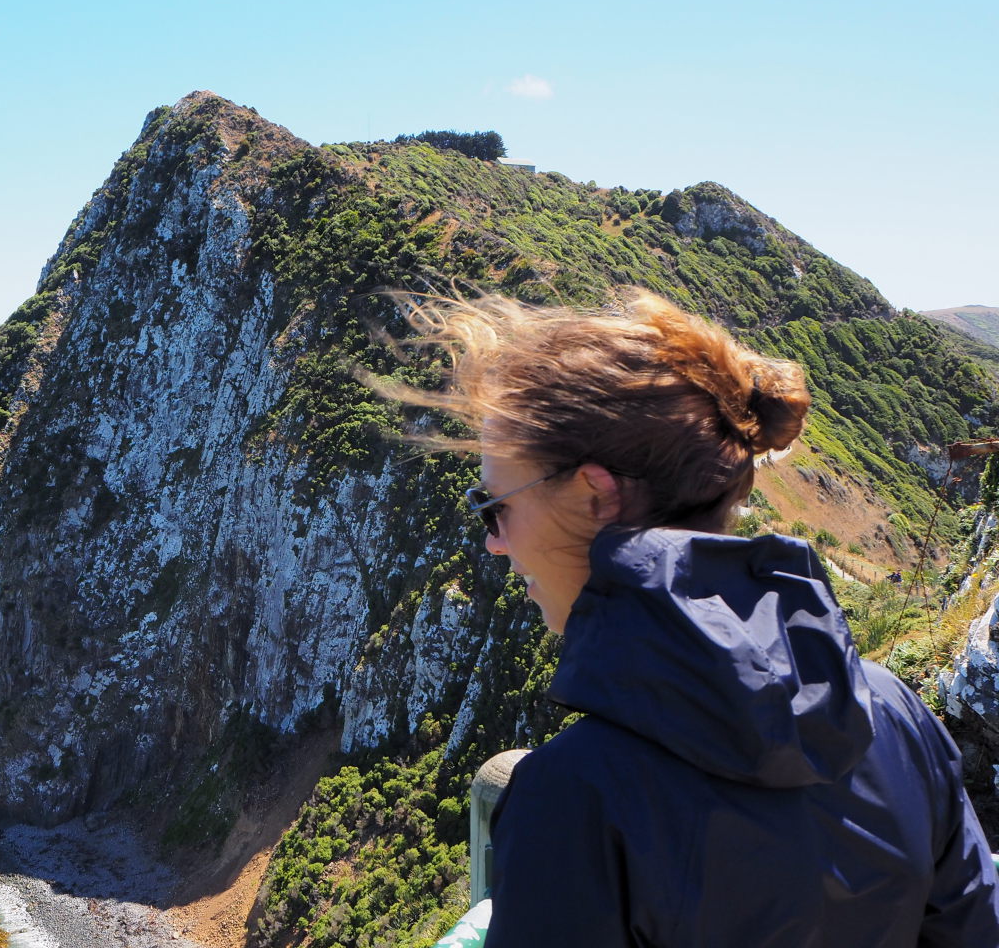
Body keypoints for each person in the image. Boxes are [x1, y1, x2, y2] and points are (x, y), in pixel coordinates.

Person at [390, 288, 999, 947]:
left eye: (494, 507)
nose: (494, 543)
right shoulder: (893, 713)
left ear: (595, 495)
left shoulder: (575, 799)